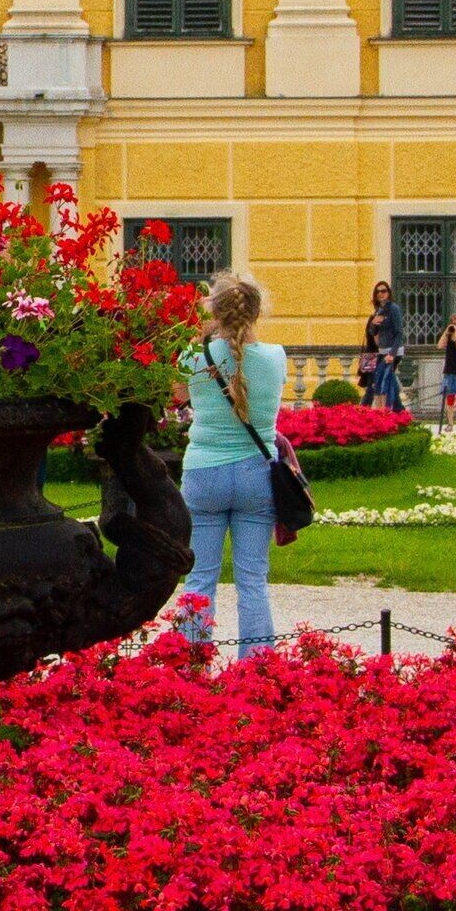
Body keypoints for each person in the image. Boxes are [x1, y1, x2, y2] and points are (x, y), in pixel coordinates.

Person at [174, 274, 286, 661]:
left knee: (199, 578)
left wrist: (202, 337)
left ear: (213, 311)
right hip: (257, 472)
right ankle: (256, 671)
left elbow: (175, 395)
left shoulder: (192, 357)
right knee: (253, 580)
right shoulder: (275, 357)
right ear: (256, 312)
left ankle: (191, 663)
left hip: (204, 471)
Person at [360, 281, 407, 415]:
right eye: (378, 292)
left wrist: (392, 353)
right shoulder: (379, 310)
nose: (381, 294)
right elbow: (372, 333)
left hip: (394, 351)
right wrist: (373, 324)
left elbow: (399, 333)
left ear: (388, 293)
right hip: (382, 351)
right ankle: (399, 411)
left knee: (383, 378)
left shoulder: (393, 308)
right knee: (387, 379)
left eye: (384, 291)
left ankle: (389, 411)